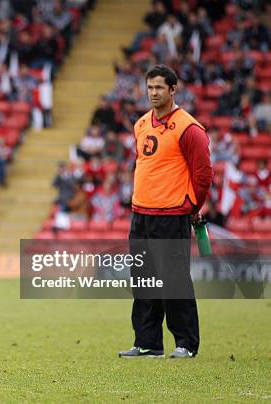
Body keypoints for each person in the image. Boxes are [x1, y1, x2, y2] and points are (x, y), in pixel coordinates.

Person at [118, 65, 213, 359]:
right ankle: (148, 343)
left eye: (159, 87)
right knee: (144, 280)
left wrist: (192, 208)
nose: (153, 93)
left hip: (171, 216)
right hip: (140, 214)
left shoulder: (189, 128)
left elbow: (203, 175)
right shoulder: (141, 124)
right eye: (149, 88)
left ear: (173, 90)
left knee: (174, 280)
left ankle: (186, 343)